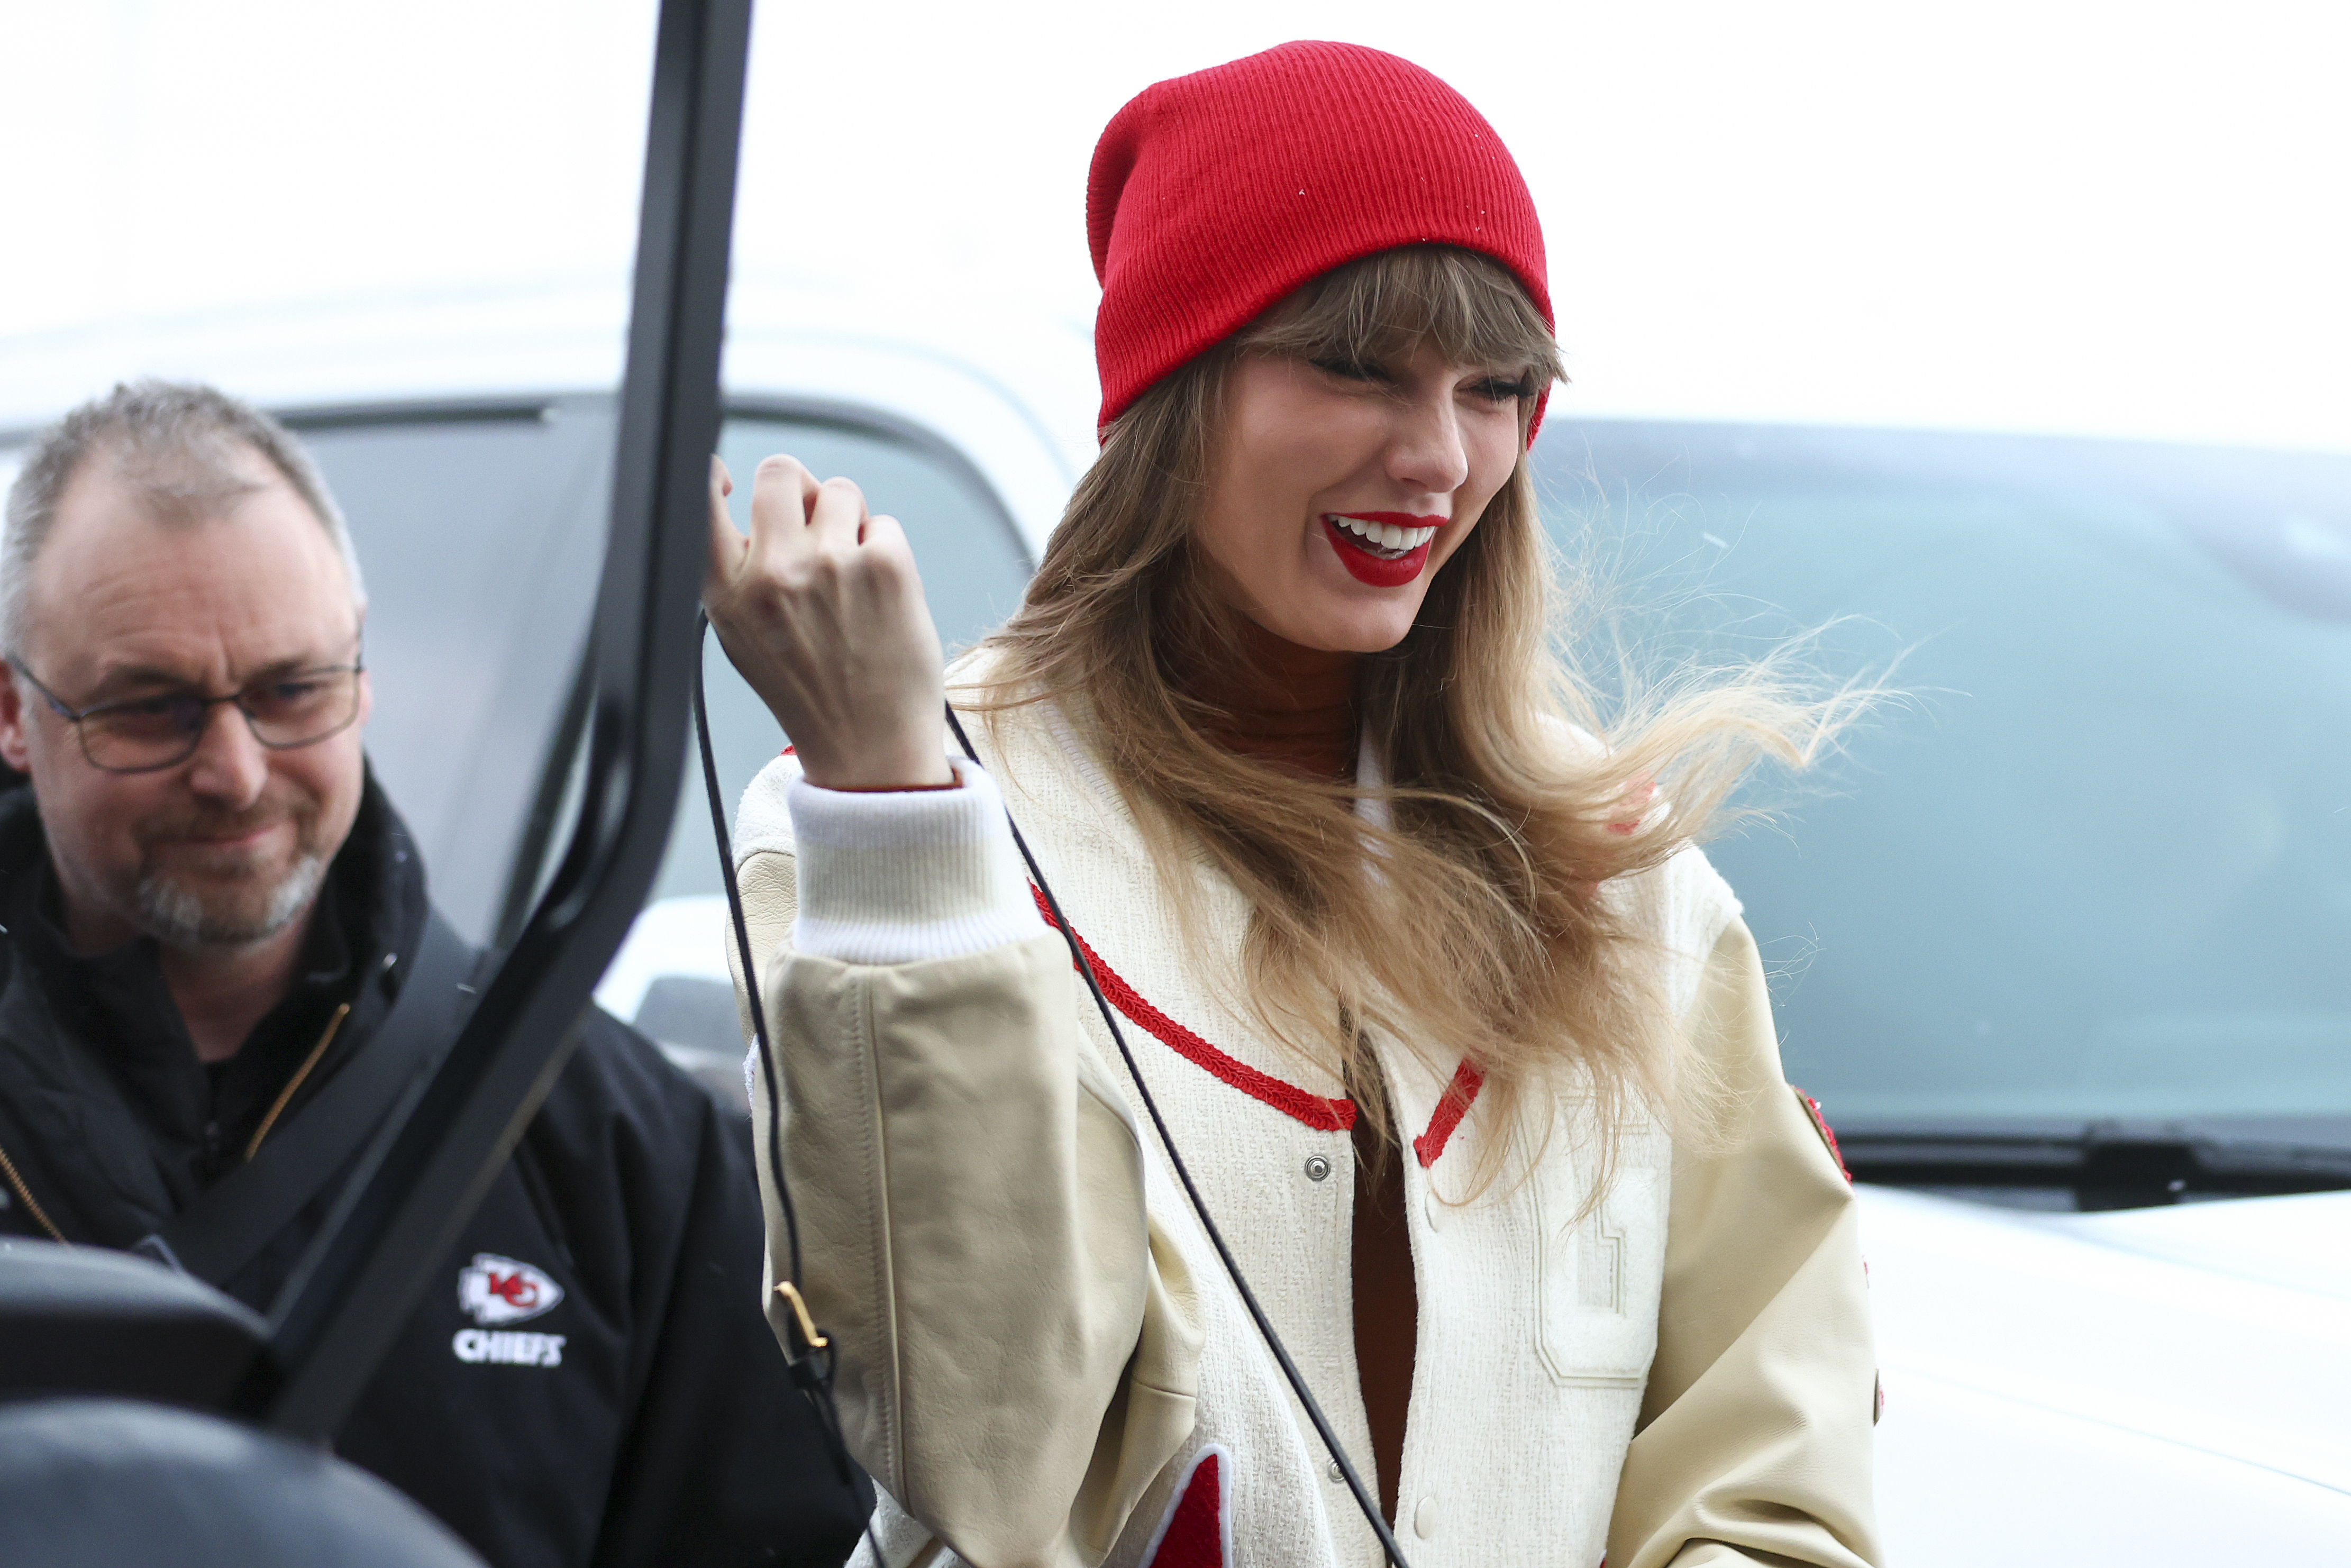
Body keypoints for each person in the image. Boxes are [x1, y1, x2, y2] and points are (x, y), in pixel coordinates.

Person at [704, 41, 1882, 1568]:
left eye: (1494, 386)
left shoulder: (1611, 865)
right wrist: (889, 807)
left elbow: (1770, 1466)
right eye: (1353, 364)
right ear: (1176, 388)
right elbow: (981, 1446)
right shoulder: (893, 816)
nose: (1438, 454)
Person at [0, 380, 868, 1568]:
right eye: (152, 709)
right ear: (14, 708)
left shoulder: (619, 1155)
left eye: (291, 689)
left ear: (362, 670)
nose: (237, 772)